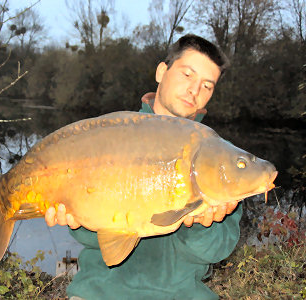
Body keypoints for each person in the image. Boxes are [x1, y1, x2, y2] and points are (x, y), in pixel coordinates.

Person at [45, 34, 242, 300]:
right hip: (101, 291)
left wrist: (197, 224)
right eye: (187, 75)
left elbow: (215, 251)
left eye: (207, 85)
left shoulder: (222, 159)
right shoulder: (112, 135)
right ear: (162, 71)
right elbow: (96, 243)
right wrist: (77, 221)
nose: (195, 90)